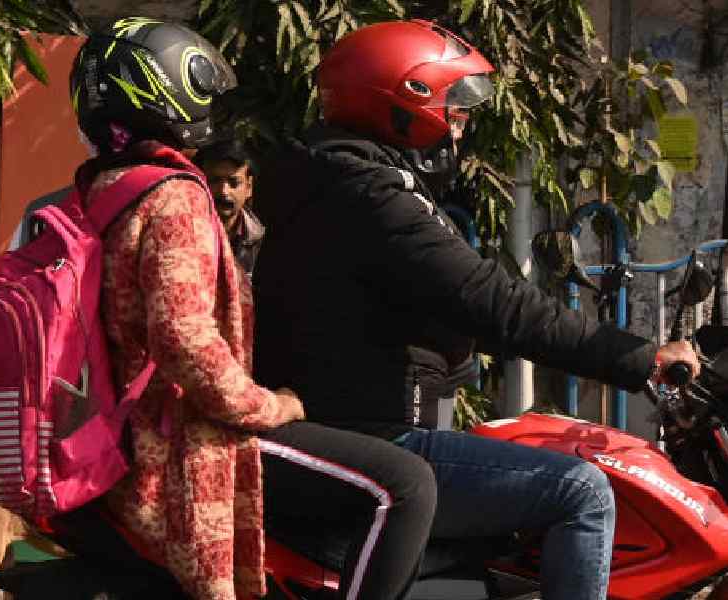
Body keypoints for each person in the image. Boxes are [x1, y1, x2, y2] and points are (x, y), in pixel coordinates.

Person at [251, 19, 701, 600]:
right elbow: (495, 303)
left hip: (361, 427)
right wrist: (641, 358)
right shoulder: (370, 196)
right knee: (583, 492)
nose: (460, 125)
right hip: (377, 439)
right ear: (403, 103)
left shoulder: (334, 179)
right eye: (451, 108)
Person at [66, 18, 436, 600]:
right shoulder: (174, 199)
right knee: (406, 484)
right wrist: (267, 404)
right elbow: (183, 337)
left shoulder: (102, 188)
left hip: (118, 434)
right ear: (164, 89)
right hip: (181, 440)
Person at [196, 139, 264, 274]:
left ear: (249, 187)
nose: (223, 191)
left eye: (234, 183)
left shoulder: (261, 240)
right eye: (214, 181)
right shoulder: (186, 232)